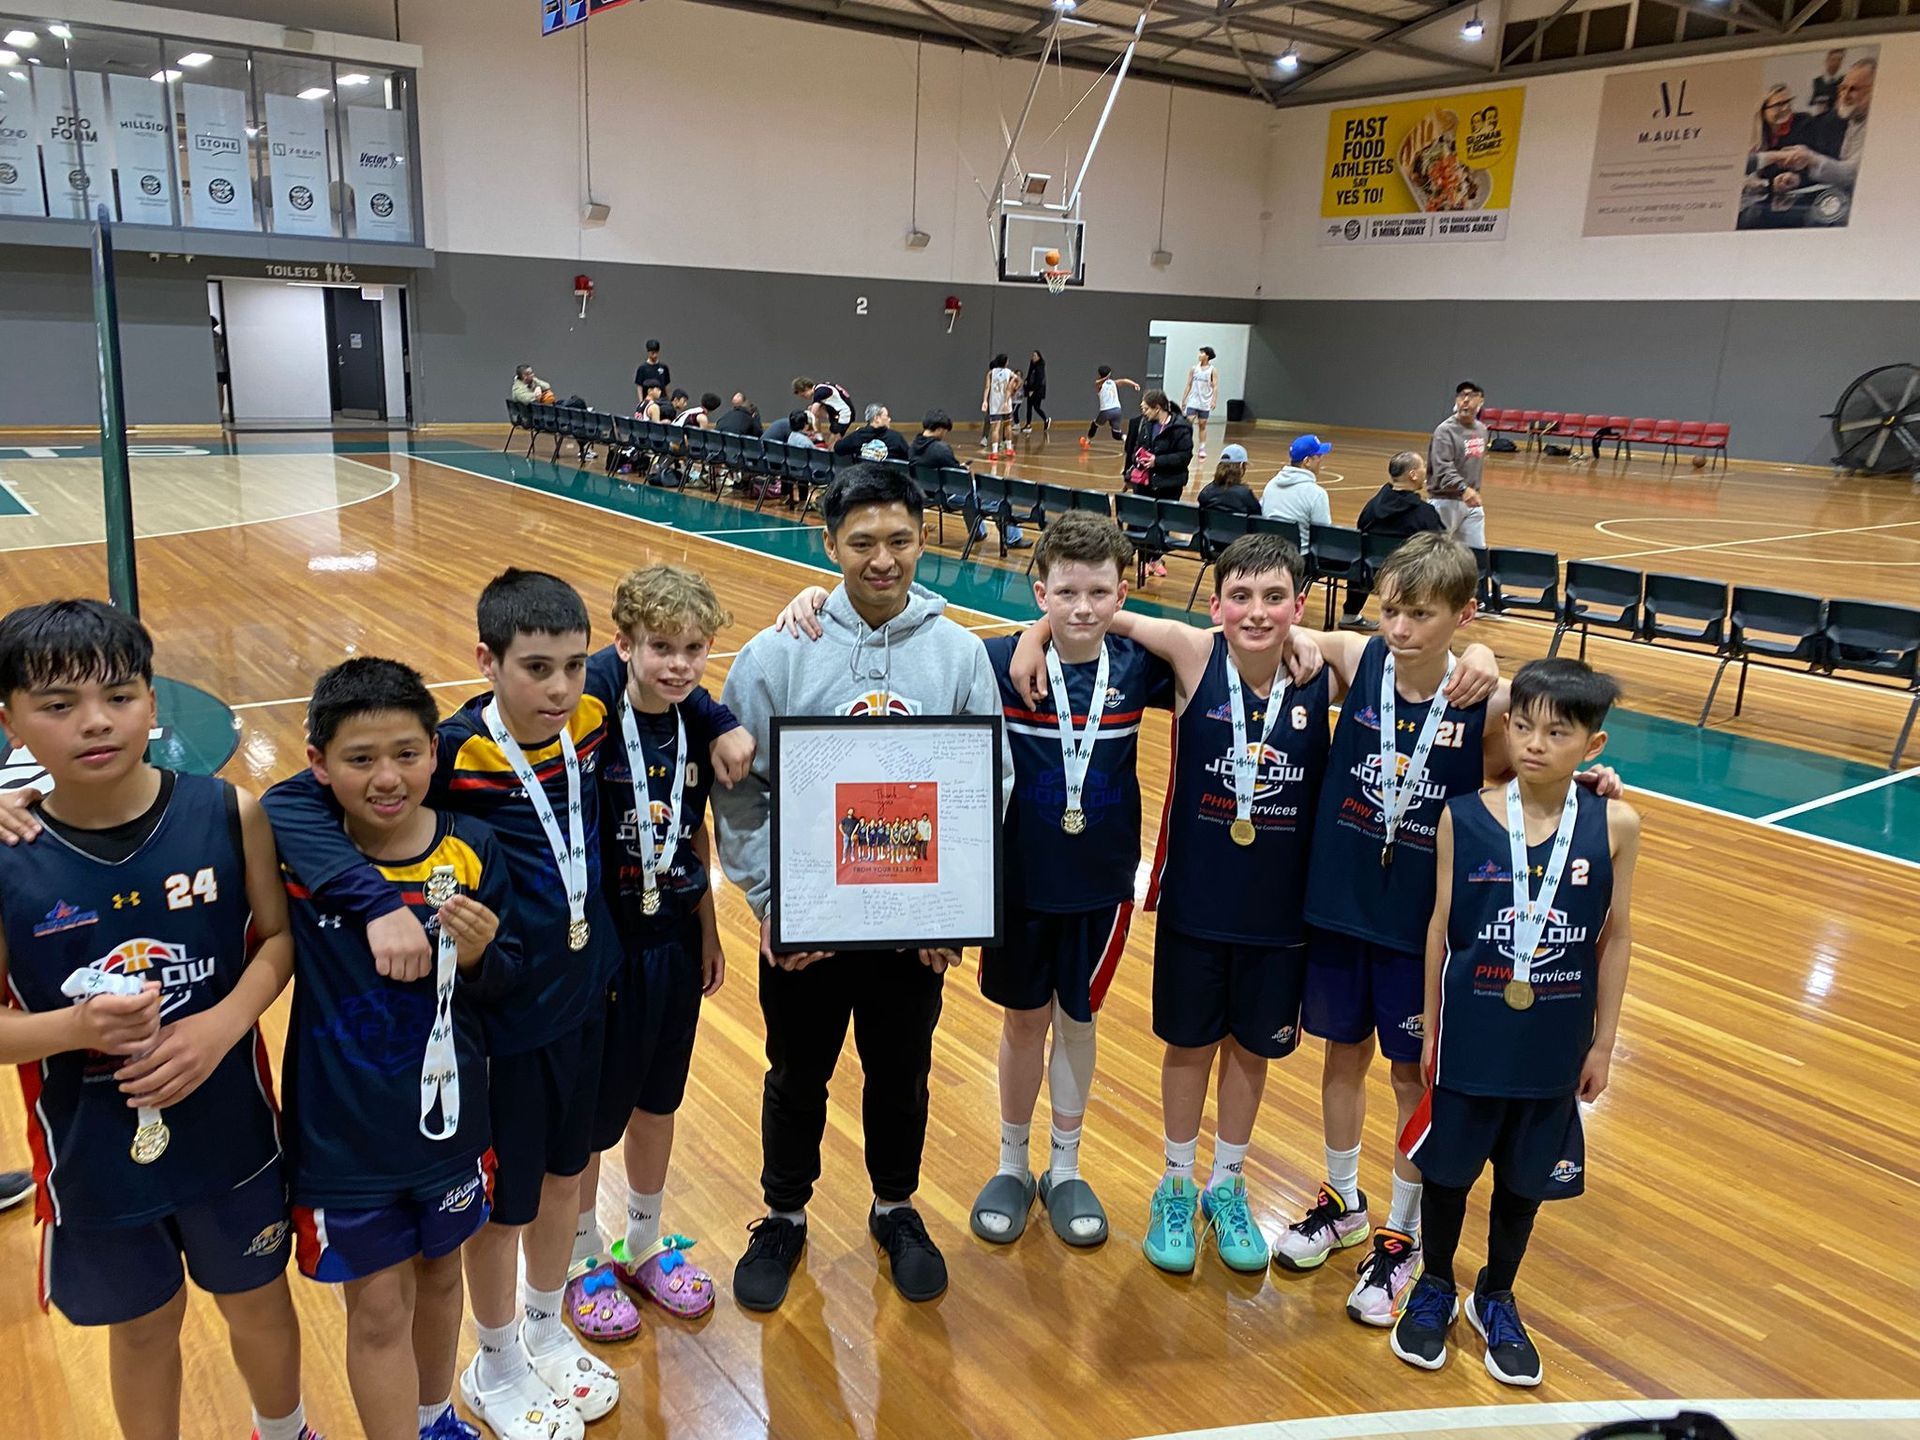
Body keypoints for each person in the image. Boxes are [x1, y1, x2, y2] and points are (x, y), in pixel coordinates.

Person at [264, 570, 627, 1440]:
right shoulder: (450, 758)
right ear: (487, 662)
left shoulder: (581, 725)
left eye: (574, 667)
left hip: (545, 1031)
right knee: (414, 1283)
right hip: (383, 1109)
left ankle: (502, 1361)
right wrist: (384, 906)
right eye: (536, 667)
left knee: (543, 1200)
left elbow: (658, 668)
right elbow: (282, 801)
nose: (560, 686)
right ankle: (493, 1357)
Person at [1277, 538, 1617, 1330]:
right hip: (1340, 905)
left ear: (1463, 615)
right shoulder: (1355, 655)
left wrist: (1598, 778)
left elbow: (1540, 763)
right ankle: (1341, 1199)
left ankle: (1402, 1233)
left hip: (1420, 928)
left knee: (1410, 1079)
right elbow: (1272, 633)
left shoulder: (1488, 704)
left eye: (1420, 614)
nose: (1399, 627)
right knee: (1341, 1057)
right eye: (1390, 608)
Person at [0, 600, 318, 1440]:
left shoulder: (227, 813)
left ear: (153, 701)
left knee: (258, 1302)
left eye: (120, 695)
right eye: (57, 705)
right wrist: (73, 1030)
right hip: (92, 1153)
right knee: (142, 1330)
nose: (95, 723)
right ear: (11, 723)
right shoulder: (7, 856)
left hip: (232, 1131)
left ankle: (284, 1430)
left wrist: (219, 1028)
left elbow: (278, 944)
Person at [712, 463, 1012, 1314]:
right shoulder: (780, 652)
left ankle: (895, 1206)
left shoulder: (956, 655)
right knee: (797, 1071)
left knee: (902, 1070)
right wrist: (771, 899)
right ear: (830, 544)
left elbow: (987, 783)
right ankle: (782, 1214)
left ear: (924, 539)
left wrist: (949, 906)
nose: (884, 561)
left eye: (901, 542)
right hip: (806, 920)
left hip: (911, 924)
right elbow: (739, 789)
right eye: (863, 544)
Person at [1008, 536, 1334, 1279]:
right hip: (1194, 898)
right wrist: (1032, 631)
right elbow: (1098, 618)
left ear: (1300, 605)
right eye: (1240, 598)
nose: (1257, 613)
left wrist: (1477, 662)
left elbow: (1414, 663)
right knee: (1188, 1045)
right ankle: (1177, 1184)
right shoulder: (1192, 652)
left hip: (1282, 915)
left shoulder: (1329, 665)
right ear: (1215, 604)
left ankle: (1229, 1183)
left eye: (1275, 599)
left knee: (1251, 1053)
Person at [280, 657, 520, 1440]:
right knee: (377, 1306)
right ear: (319, 764)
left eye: (407, 754)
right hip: (342, 1138)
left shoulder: (474, 846)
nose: (387, 778)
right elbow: (277, 804)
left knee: (442, 1275)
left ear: (435, 752)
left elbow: (507, 980)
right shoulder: (297, 851)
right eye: (359, 759)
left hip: (451, 1127)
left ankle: (434, 1417)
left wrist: (483, 957)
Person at [1392, 658, 1640, 1386]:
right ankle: (1435, 1283)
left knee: (1524, 1181)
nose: (1534, 743)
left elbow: (1617, 935)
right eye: (1522, 726)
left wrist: (1604, 1041)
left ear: (1592, 747)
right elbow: (1440, 928)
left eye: (1557, 733)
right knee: (1449, 1172)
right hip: (1471, 1033)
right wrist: (1432, 1031)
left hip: (1554, 1043)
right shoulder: (1463, 815)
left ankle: (1495, 1293)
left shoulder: (1617, 822)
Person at [973, 514, 1172, 1250]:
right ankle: (1011, 1164)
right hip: (1019, 880)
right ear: (1040, 591)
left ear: (1123, 592)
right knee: (1023, 1021)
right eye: (1066, 592)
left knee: (1078, 1020)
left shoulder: (1139, 665)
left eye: (1099, 591)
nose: (1083, 607)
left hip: (1101, 883)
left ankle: (1065, 1167)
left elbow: (1218, 649)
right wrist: (1029, 635)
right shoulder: (998, 661)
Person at [564, 567, 745, 1338]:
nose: (677, 664)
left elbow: (694, 831)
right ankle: (577, 1259)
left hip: (671, 942)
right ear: (623, 645)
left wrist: (707, 929)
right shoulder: (593, 708)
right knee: (587, 1120)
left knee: (657, 1101)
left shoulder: (693, 722)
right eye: (659, 647)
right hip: (603, 954)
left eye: (693, 650)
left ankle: (641, 1241)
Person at [1337, 451, 1446, 631]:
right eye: (1422, 467)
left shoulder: (1372, 507)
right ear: (1412, 474)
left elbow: (1361, 529)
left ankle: (1350, 614)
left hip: (1369, 573)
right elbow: (1439, 544)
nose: (1425, 471)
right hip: (1410, 578)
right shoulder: (1425, 513)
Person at [911, 410, 1027, 550]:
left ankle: (977, 531)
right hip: (947, 494)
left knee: (971, 494)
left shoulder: (913, 446)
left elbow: (948, 470)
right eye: (945, 431)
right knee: (995, 495)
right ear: (940, 429)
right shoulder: (940, 449)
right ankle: (1012, 538)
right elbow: (958, 478)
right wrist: (963, 469)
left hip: (926, 493)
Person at [1428, 382, 1488, 549]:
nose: (1465, 400)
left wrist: (1471, 491)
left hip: (1472, 501)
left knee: (1476, 554)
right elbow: (1442, 468)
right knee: (1437, 553)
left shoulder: (1482, 430)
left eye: (1471, 396)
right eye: (1462, 395)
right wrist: (1463, 489)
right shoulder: (1445, 431)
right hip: (1445, 501)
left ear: (1481, 401)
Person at [1261, 435, 1335, 552]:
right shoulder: (1316, 494)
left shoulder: (1271, 485)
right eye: (1319, 456)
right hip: (1300, 560)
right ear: (1307, 461)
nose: (1321, 460)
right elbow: (1324, 536)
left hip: (1269, 555)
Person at [1122, 390, 1193, 501]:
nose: (1143, 412)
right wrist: (1138, 459)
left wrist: (1157, 461)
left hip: (1168, 486)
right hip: (1143, 485)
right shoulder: (1144, 424)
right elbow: (1136, 448)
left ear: (1157, 409)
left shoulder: (1181, 428)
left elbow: (1184, 457)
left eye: (1146, 409)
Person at [1080, 366, 1140, 450]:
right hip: (1117, 410)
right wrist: (1134, 384)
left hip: (1106, 411)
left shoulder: (1099, 384)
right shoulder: (1112, 382)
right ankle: (1126, 438)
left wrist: (1106, 377)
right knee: (1116, 434)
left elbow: (1098, 383)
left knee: (1094, 425)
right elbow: (1124, 380)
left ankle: (1088, 441)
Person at [1180, 345, 1220, 463]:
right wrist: (1184, 399)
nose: (1199, 355)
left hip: (1205, 401)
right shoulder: (1194, 369)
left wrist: (1214, 400)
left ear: (1207, 356)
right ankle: (1186, 445)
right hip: (1193, 400)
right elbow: (1188, 384)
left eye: (1202, 353)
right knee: (1188, 422)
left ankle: (1202, 447)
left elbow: (1215, 386)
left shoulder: (1212, 370)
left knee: (1202, 424)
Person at [834, 404, 911, 464]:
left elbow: (838, 448)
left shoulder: (857, 436)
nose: (889, 419)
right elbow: (909, 458)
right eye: (887, 416)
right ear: (877, 418)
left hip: (863, 479)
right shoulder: (895, 438)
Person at [1197, 445, 1262, 516]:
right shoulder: (1245, 494)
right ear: (1241, 467)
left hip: (1210, 527)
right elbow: (1257, 517)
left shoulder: (1206, 492)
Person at [981, 353, 1022, 460]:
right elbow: (1019, 380)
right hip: (1006, 402)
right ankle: (1009, 448)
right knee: (1008, 425)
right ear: (1006, 362)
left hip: (994, 403)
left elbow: (987, 388)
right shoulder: (1009, 372)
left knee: (995, 428)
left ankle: (994, 452)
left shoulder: (990, 373)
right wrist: (1014, 389)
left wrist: (985, 401)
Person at [1021, 350, 1050, 436]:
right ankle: (1028, 425)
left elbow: (1039, 380)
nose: (1033, 357)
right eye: (1032, 355)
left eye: (1035, 355)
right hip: (1030, 389)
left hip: (1037, 391)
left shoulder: (1040, 366)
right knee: (1029, 407)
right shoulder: (1032, 365)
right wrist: (1026, 382)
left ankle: (1046, 419)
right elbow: (1029, 376)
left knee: (1036, 407)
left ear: (1039, 357)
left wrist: (1032, 390)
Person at [634, 341, 670, 408]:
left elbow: (666, 385)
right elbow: (639, 387)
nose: (655, 355)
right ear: (648, 352)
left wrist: (668, 401)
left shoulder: (663, 367)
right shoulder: (642, 368)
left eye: (656, 353)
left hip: (662, 401)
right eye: (652, 353)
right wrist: (641, 402)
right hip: (648, 402)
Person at [1810, 48, 1845, 115]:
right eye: (1833, 60)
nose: (1836, 63)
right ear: (1827, 61)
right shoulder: (1816, 82)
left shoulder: (1844, 81)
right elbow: (1810, 103)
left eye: (1839, 60)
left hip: (1838, 117)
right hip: (1820, 117)